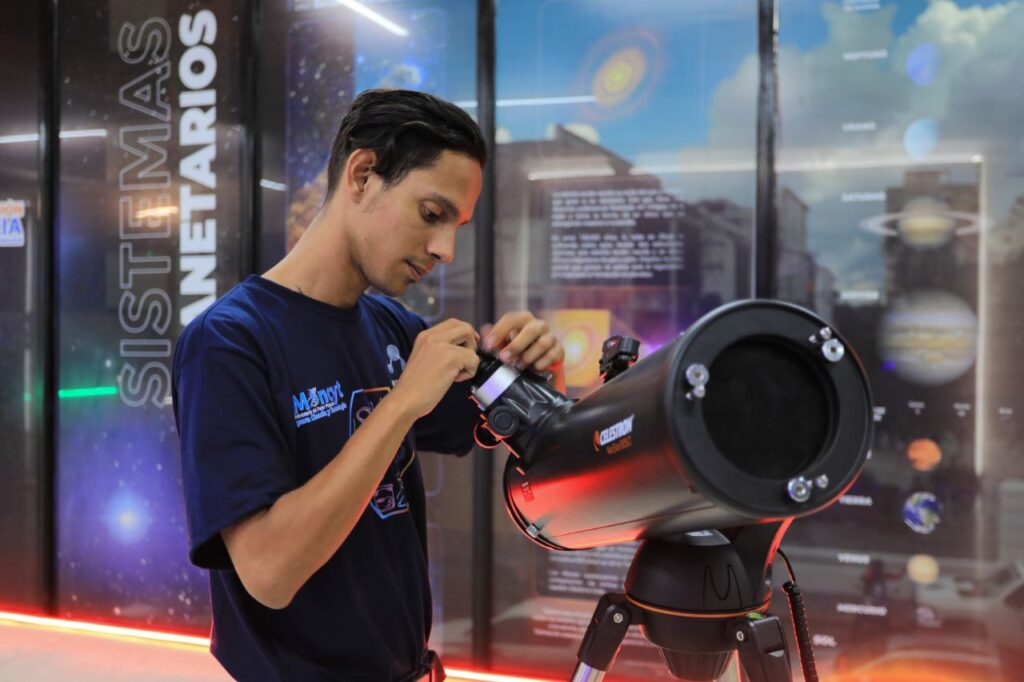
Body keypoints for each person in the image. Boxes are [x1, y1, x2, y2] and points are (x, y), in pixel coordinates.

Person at [172, 89, 565, 682]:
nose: (445, 249)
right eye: (431, 214)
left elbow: (496, 423)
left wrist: (532, 368)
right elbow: (269, 572)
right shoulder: (229, 342)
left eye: (455, 226)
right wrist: (402, 401)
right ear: (362, 176)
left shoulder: (386, 325)